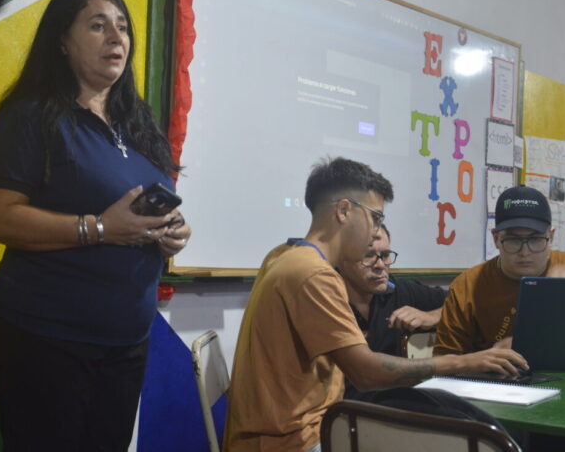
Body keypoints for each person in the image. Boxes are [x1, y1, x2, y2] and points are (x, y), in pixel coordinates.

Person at [0, 0, 191, 451]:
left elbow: (145, 208)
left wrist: (171, 232)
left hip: (127, 340)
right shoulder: (31, 117)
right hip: (47, 337)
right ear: (62, 41)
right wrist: (100, 228)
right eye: (97, 25)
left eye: (122, 26)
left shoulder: (138, 125)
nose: (116, 37)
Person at [223, 157, 526, 452]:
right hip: (293, 440)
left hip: (299, 426)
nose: (375, 234)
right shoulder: (314, 274)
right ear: (344, 211)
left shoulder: (282, 255)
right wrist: (465, 362)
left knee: (447, 411)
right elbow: (367, 374)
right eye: (376, 217)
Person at [434, 185, 565, 356]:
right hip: (495, 379)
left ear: (551, 237)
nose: (525, 252)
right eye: (514, 240)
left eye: (536, 239)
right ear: (496, 239)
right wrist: (483, 360)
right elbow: (444, 361)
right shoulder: (467, 287)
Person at [338, 224, 446, 399]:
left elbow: (464, 304)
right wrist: (458, 364)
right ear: (342, 260)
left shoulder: (399, 290)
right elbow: (365, 374)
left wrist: (432, 316)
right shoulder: (326, 298)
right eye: (368, 256)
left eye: (386, 255)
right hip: (343, 411)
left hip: (397, 405)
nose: (380, 265)